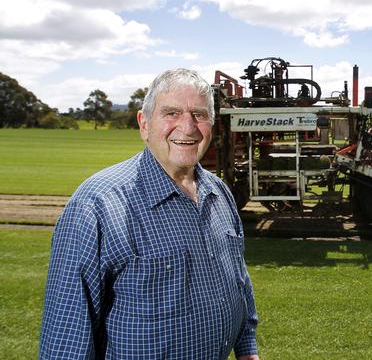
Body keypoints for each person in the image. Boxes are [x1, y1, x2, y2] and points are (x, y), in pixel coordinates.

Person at [39, 69, 259, 360]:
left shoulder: (219, 193)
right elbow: (66, 335)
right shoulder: (97, 204)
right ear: (144, 124)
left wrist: (247, 349)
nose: (188, 127)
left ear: (212, 125)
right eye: (171, 113)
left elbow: (239, 281)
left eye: (199, 114)